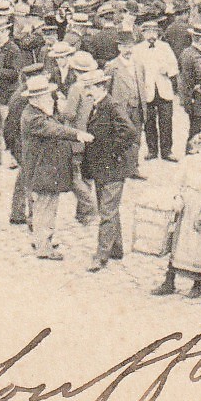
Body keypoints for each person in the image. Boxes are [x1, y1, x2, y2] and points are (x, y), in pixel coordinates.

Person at [20, 72, 95, 261]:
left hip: (46, 169)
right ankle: (44, 247)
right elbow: (55, 130)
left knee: (45, 206)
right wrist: (77, 134)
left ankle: (40, 239)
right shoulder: (34, 118)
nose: (50, 98)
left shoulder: (39, 112)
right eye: (46, 95)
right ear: (36, 98)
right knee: (45, 207)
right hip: (42, 170)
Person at [151, 130, 201, 298]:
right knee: (177, 243)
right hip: (186, 207)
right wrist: (178, 197)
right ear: (197, 147)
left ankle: (196, 284)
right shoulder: (188, 162)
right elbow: (177, 182)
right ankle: (169, 281)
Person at [81, 67, 137, 271]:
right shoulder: (98, 105)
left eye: (90, 88)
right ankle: (116, 247)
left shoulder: (111, 106)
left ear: (100, 87)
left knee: (107, 211)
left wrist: (112, 151)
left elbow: (130, 132)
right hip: (101, 167)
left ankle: (101, 255)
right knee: (109, 209)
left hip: (112, 168)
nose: (87, 92)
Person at [129, 18, 180, 162]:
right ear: (143, 34)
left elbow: (175, 67)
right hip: (147, 90)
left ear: (158, 34)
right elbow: (134, 70)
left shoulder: (165, 47)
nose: (151, 35)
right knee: (149, 121)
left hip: (164, 89)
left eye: (154, 32)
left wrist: (168, 70)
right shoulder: (137, 49)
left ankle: (167, 151)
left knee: (166, 121)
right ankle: (152, 150)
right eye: (148, 32)